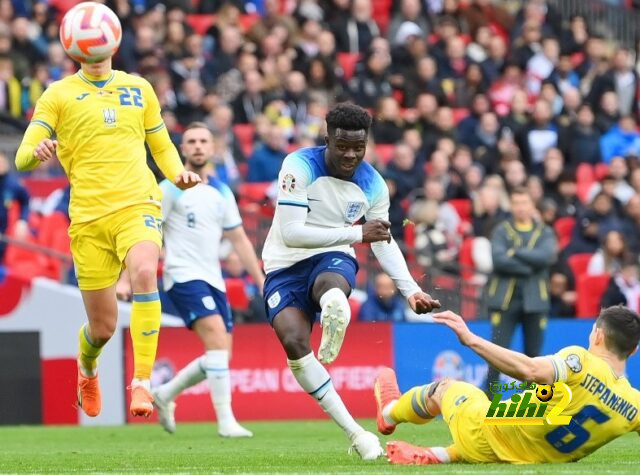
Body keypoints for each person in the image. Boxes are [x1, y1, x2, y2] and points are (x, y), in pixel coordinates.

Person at [14, 4, 201, 419]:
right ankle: (88, 364)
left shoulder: (140, 88)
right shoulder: (57, 95)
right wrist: (38, 151)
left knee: (144, 272)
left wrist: (177, 175)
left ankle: (142, 382)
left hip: (139, 203)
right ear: (73, 48)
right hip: (88, 219)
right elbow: (22, 157)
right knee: (102, 328)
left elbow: (162, 145)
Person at [261, 103, 440, 459]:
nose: (350, 154)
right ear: (327, 137)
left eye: (358, 147)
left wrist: (411, 290)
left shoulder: (373, 184)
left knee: (331, 281)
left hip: (334, 257)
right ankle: (357, 434)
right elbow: (292, 233)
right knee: (295, 344)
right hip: (283, 263)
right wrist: (357, 234)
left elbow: (382, 241)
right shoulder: (298, 166)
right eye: (342, 145)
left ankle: (333, 305)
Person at [116, 122, 264, 436]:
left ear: (213, 149)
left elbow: (238, 240)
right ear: (182, 150)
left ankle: (166, 393)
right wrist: (126, 278)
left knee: (221, 355)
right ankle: (226, 423)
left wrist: (261, 279)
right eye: (191, 141)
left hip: (214, 279)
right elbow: (146, 234)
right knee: (216, 344)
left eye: (203, 141)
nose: (197, 146)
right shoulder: (169, 188)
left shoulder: (222, 191)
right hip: (182, 276)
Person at [374, 305, 640, 465]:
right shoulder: (635, 405)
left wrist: (471, 340)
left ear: (598, 334)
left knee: (445, 389)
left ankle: (389, 413)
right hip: (536, 458)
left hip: (486, 434)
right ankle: (440, 455)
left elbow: (530, 369)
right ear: (633, 351)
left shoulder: (581, 361)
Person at [486, 187, 556, 393]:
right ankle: (488, 398)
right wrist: (530, 266)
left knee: (534, 356)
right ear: (511, 206)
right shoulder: (501, 230)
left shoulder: (544, 231)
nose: (520, 207)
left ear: (532, 205)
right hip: (505, 300)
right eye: (516, 203)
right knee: (496, 353)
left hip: (536, 300)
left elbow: (546, 258)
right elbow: (499, 261)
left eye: (524, 202)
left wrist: (514, 252)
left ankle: (531, 400)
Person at [0, 151, 30, 262]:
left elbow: (25, 200)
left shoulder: (13, 184)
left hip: (6, 231)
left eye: (2, 162)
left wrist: (23, 220)